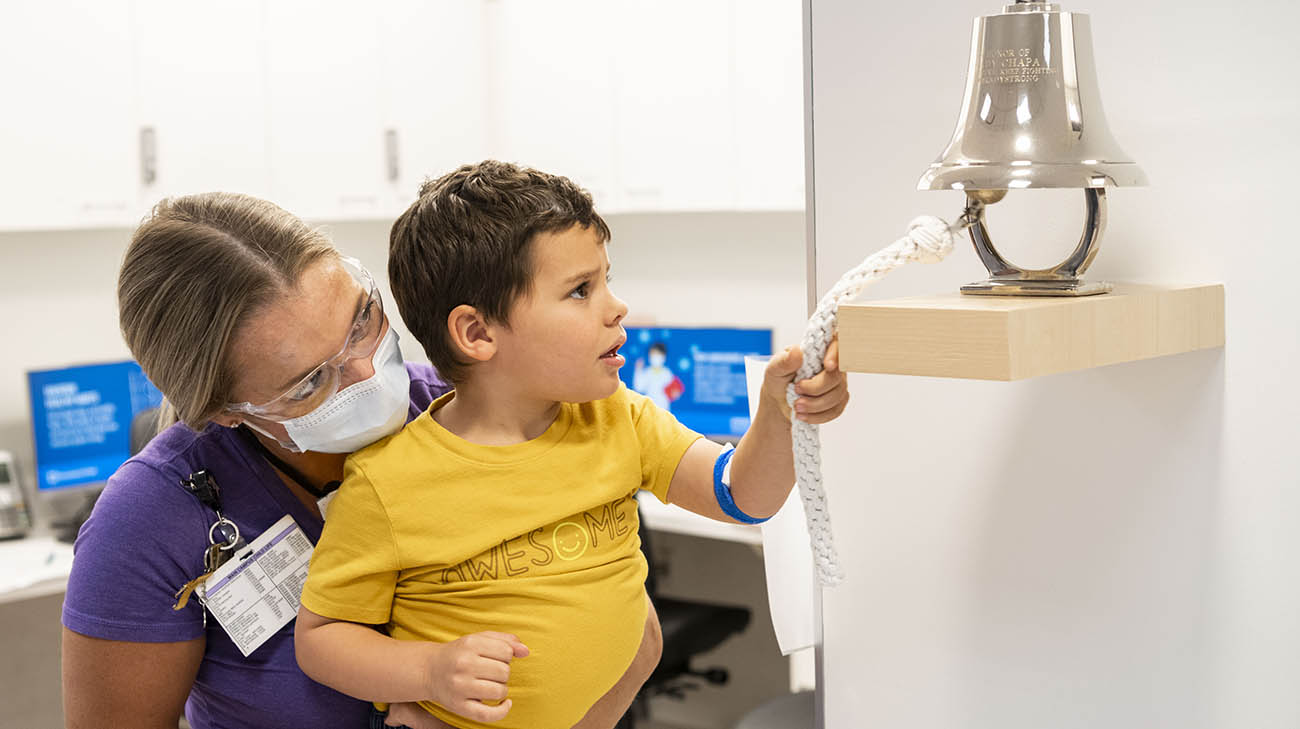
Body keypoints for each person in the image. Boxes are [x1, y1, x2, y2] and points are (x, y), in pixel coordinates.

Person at [60, 192, 662, 729]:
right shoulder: (148, 522)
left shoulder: (471, 409)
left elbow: (632, 643)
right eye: (310, 382)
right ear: (226, 410)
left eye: (362, 321)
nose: (367, 371)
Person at [294, 161, 850, 729]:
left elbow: (742, 496)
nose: (616, 306)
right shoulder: (388, 483)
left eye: (606, 279)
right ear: (478, 333)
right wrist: (429, 670)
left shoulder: (619, 418)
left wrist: (780, 419)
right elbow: (321, 639)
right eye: (581, 290)